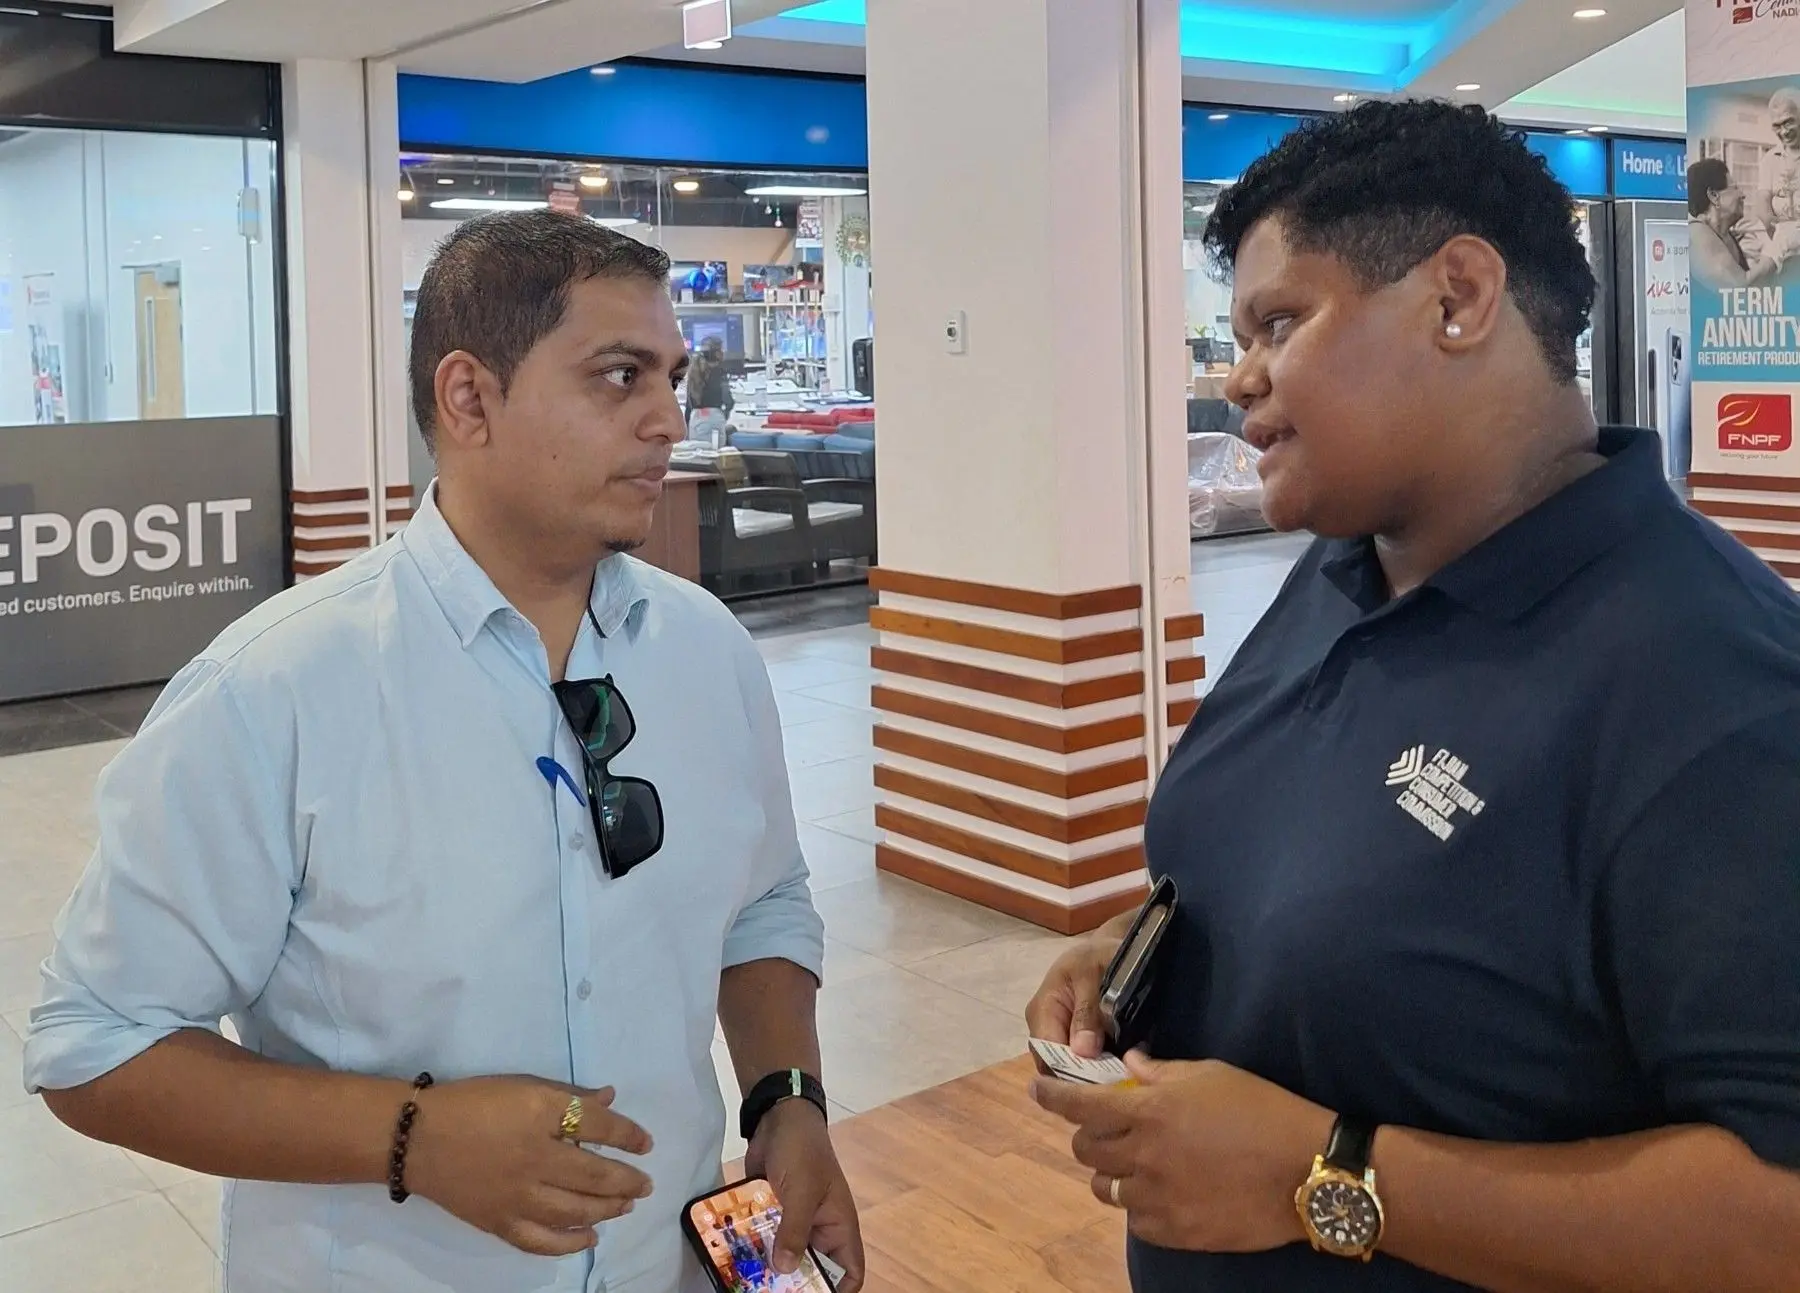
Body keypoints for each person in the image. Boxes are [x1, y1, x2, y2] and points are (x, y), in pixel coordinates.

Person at [1026, 100, 1800, 1293]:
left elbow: (1777, 1219)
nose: (1238, 377)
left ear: (1459, 298)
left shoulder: (1718, 686)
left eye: (1279, 321)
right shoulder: (1339, 569)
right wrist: (1148, 950)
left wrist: (1322, 1177)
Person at [22, 211, 864, 1293]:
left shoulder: (708, 650)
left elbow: (764, 905)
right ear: (470, 398)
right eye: (619, 376)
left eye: (672, 373)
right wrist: (413, 1135)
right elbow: (94, 1045)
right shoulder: (275, 692)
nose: (668, 416)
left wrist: (786, 1098)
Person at [1690, 157, 1782, 287]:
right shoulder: (1696, 233)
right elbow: (1739, 288)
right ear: (1714, 196)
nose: (1743, 194)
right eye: (1735, 188)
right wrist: (1779, 246)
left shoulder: (1727, 235)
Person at [1750, 86, 1800, 253]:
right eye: (1777, 126)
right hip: (1784, 250)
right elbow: (1763, 199)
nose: (1784, 131)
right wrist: (1770, 223)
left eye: (1788, 122)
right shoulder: (1769, 160)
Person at [686, 335, 735, 447]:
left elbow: (689, 405)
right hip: (714, 419)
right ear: (717, 353)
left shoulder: (693, 372)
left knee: (699, 459)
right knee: (715, 458)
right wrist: (725, 413)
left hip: (696, 420)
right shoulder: (719, 372)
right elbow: (728, 400)